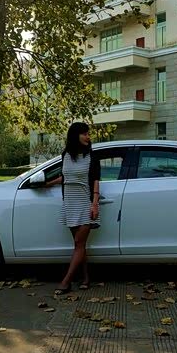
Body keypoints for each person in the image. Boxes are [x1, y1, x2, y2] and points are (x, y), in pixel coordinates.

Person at [45, 122, 101, 294]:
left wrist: (94, 204)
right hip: (69, 203)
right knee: (79, 245)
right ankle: (86, 278)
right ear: (75, 135)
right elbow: (66, 177)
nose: (88, 137)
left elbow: (96, 180)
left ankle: (66, 282)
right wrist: (47, 183)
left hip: (85, 203)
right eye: (84, 133)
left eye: (88, 134)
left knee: (78, 243)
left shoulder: (92, 156)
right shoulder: (66, 155)